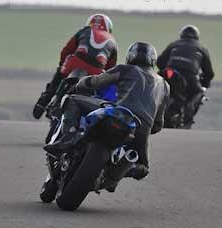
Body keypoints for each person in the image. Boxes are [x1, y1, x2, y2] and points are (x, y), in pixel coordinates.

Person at [45, 41, 169, 187]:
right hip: (142, 128)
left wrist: (79, 84)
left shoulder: (125, 69)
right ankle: (115, 175)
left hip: (117, 113)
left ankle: (67, 138)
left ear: (131, 56)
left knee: (72, 100)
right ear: (152, 60)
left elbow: (96, 82)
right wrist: (147, 128)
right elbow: (159, 123)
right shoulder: (165, 85)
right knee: (143, 167)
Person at [33, 13, 117, 119]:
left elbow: (66, 51)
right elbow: (111, 68)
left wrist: (61, 66)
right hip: (96, 70)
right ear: (108, 28)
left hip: (75, 63)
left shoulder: (84, 31)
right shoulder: (112, 40)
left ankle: (44, 100)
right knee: (102, 89)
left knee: (60, 72)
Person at [157, 24, 214, 124]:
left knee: (158, 87)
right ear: (196, 37)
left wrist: (167, 69)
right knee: (199, 92)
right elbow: (209, 73)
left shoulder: (174, 44)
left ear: (182, 35)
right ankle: (187, 115)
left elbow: (160, 62)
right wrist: (205, 83)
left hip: (170, 73)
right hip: (189, 77)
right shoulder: (201, 48)